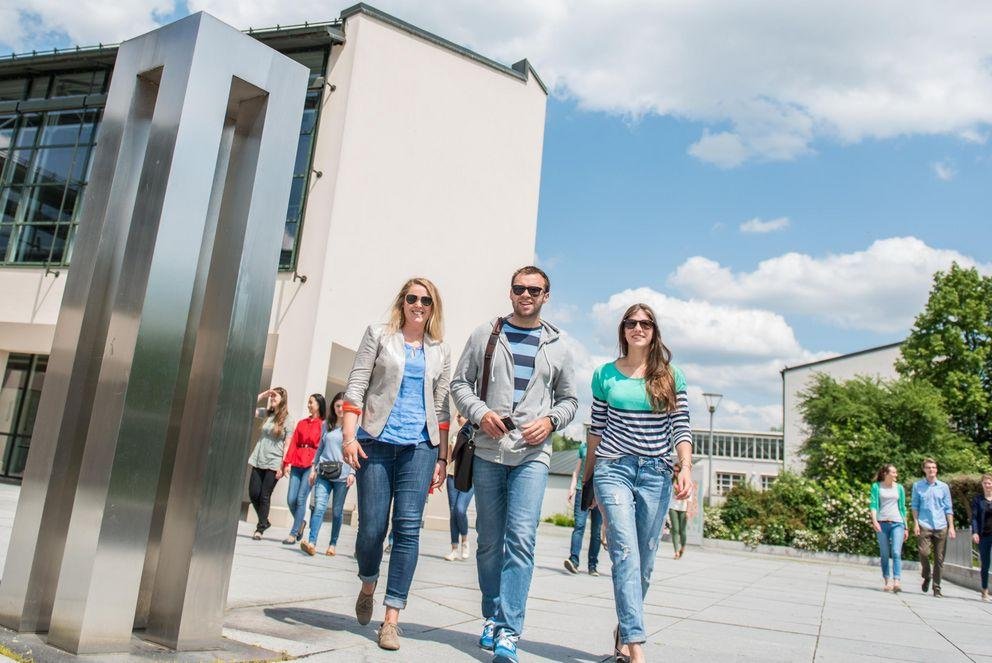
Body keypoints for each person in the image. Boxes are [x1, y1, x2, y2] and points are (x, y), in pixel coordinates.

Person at [451, 265, 577, 663]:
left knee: (521, 540)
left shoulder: (558, 345)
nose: (527, 295)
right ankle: (491, 615)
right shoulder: (485, 333)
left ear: (546, 296)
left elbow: (570, 401)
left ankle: (509, 631)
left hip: (532, 455)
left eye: (534, 290)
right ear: (510, 293)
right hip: (488, 450)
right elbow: (459, 384)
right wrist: (479, 412)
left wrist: (551, 421)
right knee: (489, 542)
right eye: (520, 288)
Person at [341, 277, 450, 651]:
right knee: (371, 528)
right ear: (402, 302)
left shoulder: (440, 350)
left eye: (426, 300)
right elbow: (356, 385)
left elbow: (441, 407)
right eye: (412, 298)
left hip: (419, 447)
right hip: (375, 441)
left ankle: (391, 618)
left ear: (433, 307)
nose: (418, 304)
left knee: (408, 528)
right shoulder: (379, 335)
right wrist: (349, 436)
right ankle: (368, 582)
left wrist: (442, 456)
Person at [584, 303, 692, 663]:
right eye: (631, 323)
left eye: (645, 323)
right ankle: (637, 647)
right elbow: (596, 430)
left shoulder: (671, 376)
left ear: (654, 330)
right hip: (613, 468)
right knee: (625, 553)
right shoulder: (605, 375)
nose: (638, 328)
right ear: (623, 330)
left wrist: (686, 467)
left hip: (656, 474)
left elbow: (681, 427)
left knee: (644, 563)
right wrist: (587, 479)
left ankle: (622, 633)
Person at [303, 392, 355, 556]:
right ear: (333, 406)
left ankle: (332, 544)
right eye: (337, 405)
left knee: (337, 512)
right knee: (318, 507)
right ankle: (311, 542)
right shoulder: (327, 425)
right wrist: (313, 468)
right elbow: (320, 449)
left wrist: (353, 472)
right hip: (324, 472)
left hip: (342, 475)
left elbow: (355, 452)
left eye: (343, 406)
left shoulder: (353, 428)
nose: (340, 409)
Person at [247, 387, 291, 540]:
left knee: (264, 496)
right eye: (271, 397)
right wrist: (264, 394)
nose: (272, 399)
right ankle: (265, 521)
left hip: (274, 462)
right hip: (259, 458)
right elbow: (249, 407)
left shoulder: (287, 419)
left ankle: (259, 529)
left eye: (275, 397)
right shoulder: (267, 414)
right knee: (253, 493)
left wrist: (283, 465)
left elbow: (287, 445)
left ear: (282, 399)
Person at [282, 393, 326, 544]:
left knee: (301, 499)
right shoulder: (301, 423)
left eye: (311, 402)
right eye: (308, 402)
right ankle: (300, 523)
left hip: (311, 464)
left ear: (319, 405)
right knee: (291, 499)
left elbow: (322, 446)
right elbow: (294, 442)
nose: (308, 405)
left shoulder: (323, 425)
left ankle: (293, 534)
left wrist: (317, 466)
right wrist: (287, 463)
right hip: (297, 462)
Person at [911, 457, 956, 597]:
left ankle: (937, 588)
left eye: (934, 467)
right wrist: (916, 523)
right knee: (924, 553)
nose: (932, 470)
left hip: (941, 525)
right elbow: (914, 506)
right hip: (925, 524)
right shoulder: (917, 486)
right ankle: (926, 575)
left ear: (936, 470)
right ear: (924, 469)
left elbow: (948, 508)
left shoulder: (943, 487)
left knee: (939, 558)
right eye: (929, 467)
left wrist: (951, 527)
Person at [563, 440, 602, 576]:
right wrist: (572, 487)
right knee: (579, 526)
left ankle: (593, 565)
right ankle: (574, 560)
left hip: (600, 491)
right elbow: (577, 470)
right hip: (582, 489)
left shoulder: (607, 444)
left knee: (596, 531)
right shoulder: (584, 446)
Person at [869, 464, 908, 593]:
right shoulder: (876, 487)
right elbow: (873, 504)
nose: (896, 475)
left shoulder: (899, 488)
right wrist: (875, 521)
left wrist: (906, 526)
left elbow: (902, 508)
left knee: (896, 552)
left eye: (896, 473)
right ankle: (887, 580)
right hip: (882, 523)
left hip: (898, 523)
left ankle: (897, 580)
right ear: (886, 473)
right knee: (885, 553)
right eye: (893, 472)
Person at [444, 414, 475, 562]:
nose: (459, 419)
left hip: (469, 478)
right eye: (458, 417)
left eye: (461, 417)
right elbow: (449, 457)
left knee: (460, 509)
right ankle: (454, 548)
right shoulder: (454, 435)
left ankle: (465, 541)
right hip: (451, 475)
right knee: (452, 511)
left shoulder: (475, 436)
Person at [668, 463, 696, 560]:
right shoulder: (671, 481)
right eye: (674, 471)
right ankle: (676, 551)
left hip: (683, 508)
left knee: (682, 531)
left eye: (677, 471)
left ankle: (683, 547)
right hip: (673, 507)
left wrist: (688, 511)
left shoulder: (686, 481)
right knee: (675, 529)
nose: (675, 473)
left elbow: (689, 497)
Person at [971, 473, 992, 601]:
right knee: (985, 564)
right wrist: (975, 532)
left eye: (989, 483)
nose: (988, 485)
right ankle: (984, 590)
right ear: (982, 484)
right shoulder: (978, 500)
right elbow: (974, 518)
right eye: (985, 483)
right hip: (984, 535)